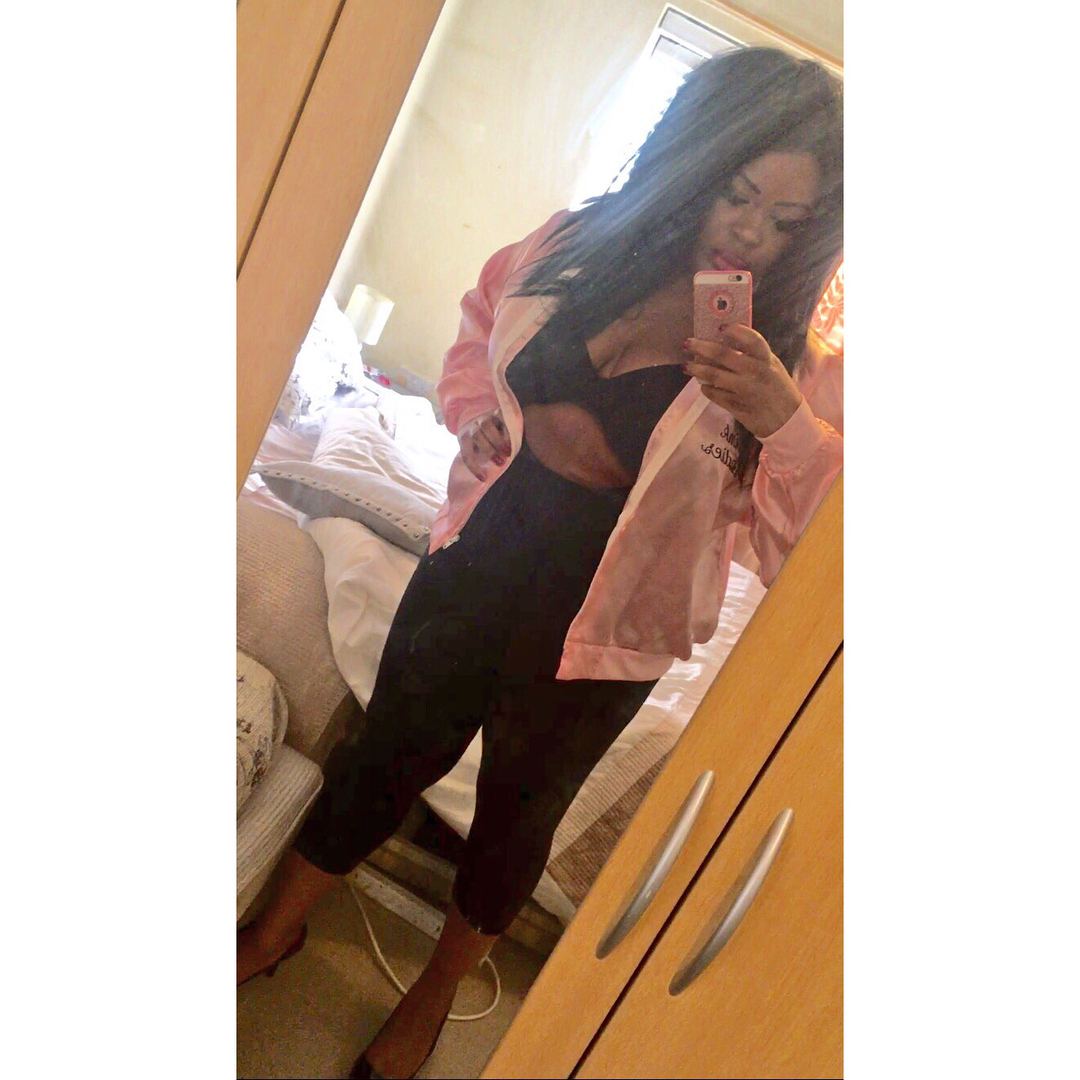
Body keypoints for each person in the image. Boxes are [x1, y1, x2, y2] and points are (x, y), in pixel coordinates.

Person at [238, 46, 844, 1079]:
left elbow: (809, 554)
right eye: (739, 193)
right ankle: (276, 930)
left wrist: (780, 420)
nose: (751, 232)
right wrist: (478, 418)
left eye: (788, 220)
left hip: (605, 627)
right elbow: (481, 330)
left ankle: (432, 999)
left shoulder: (789, 366)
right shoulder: (574, 247)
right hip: (484, 550)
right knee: (386, 756)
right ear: (695, 159)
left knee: (515, 822)